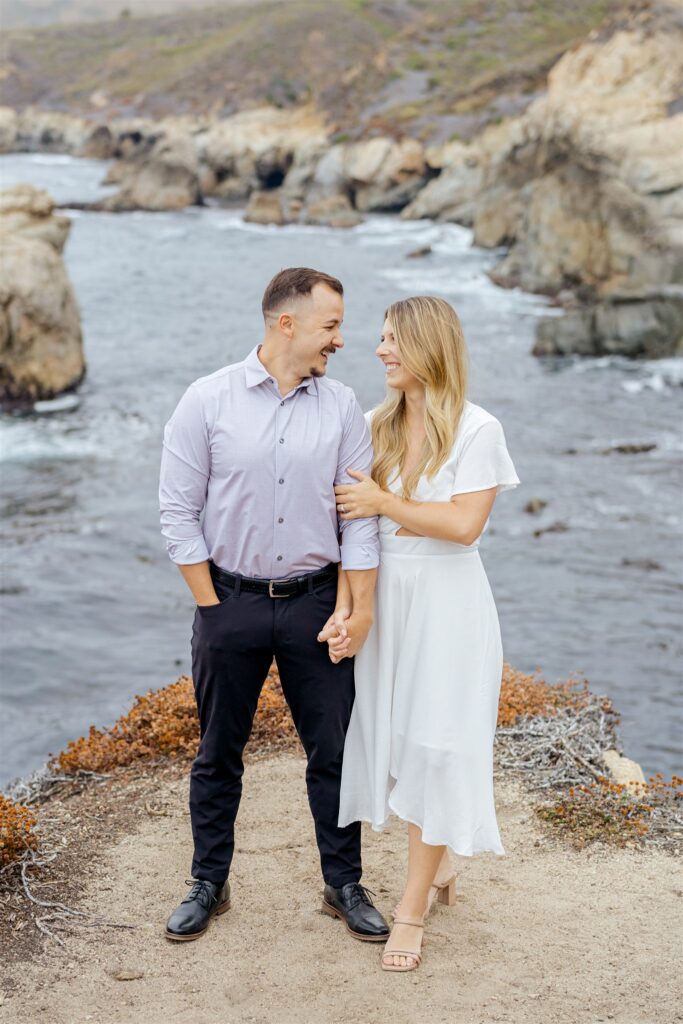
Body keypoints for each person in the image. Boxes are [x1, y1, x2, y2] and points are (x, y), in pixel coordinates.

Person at [158, 267, 389, 944]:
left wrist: (359, 610)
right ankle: (208, 881)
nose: (340, 340)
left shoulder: (342, 406)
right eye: (330, 325)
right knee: (217, 751)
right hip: (229, 600)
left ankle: (342, 883)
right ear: (284, 323)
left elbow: (360, 521)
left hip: (317, 604)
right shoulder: (206, 400)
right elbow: (177, 512)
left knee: (333, 752)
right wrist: (211, 607)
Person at [319, 295, 520, 972]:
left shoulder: (475, 429)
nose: (379, 350)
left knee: (436, 747)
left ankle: (410, 910)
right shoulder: (373, 424)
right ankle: (435, 870)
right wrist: (350, 606)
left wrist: (385, 502)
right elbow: (354, 532)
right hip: (388, 603)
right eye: (379, 339)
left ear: (428, 347)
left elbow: (464, 527)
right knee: (398, 746)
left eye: (392, 340)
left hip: (448, 605)